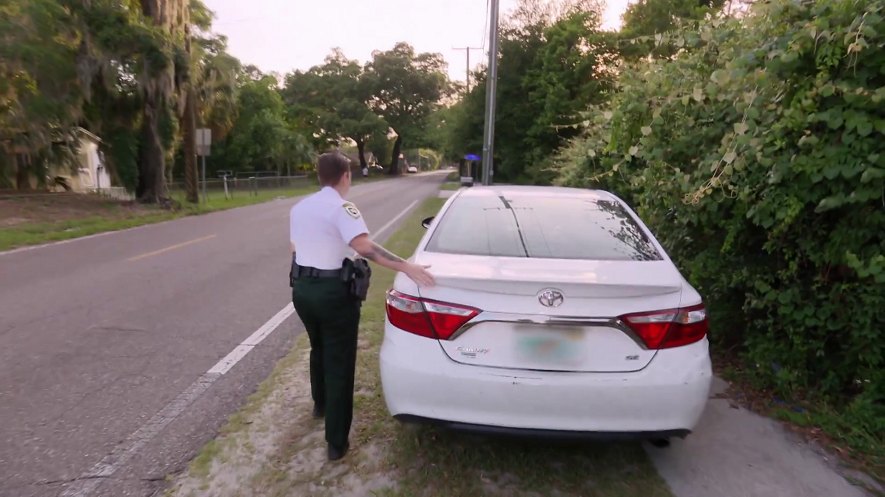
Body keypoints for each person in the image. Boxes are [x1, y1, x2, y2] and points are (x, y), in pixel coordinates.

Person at [289, 151, 434, 461]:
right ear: (346, 176)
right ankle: (336, 442)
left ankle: (320, 404)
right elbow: (364, 247)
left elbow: (296, 247)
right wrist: (407, 267)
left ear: (320, 176)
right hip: (332, 293)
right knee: (339, 360)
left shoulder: (300, 208)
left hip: (301, 289)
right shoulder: (343, 208)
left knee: (318, 347)